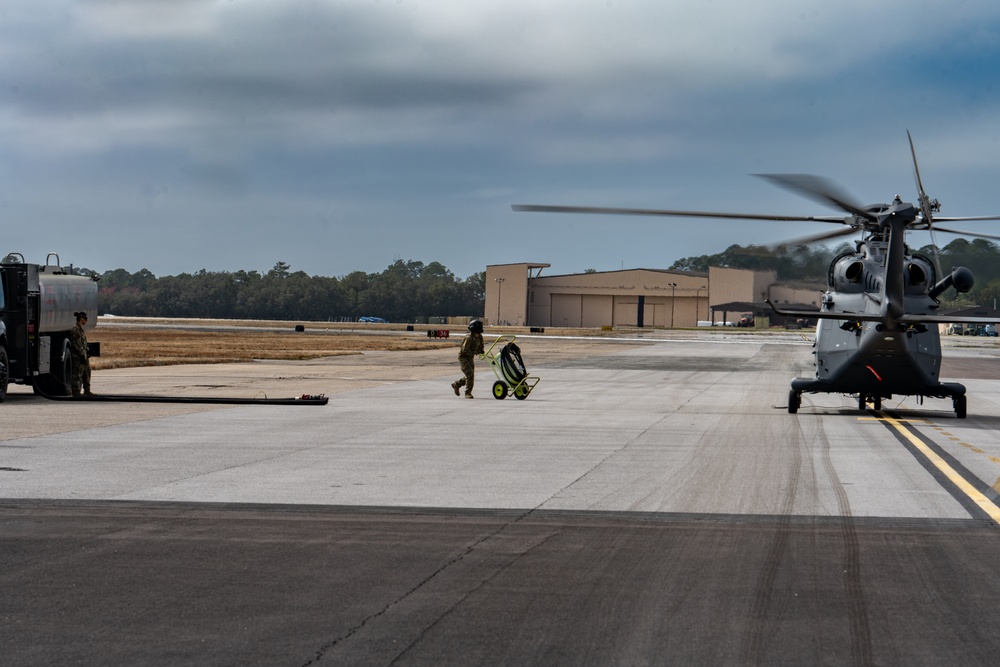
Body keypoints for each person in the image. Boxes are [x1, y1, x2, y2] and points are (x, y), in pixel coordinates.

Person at [451, 319, 484, 399]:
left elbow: (481, 346)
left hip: (470, 358)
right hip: (463, 358)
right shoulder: (469, 338)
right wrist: (474, 352)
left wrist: (481, 352)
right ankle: (468, 393)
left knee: (470, 376)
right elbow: (464, 350)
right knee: (470, 375)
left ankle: (457, 384)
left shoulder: (480, 337)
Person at [69, 311, 93, 397]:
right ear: (81, 319)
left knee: (86, 372)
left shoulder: (80, 330)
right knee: (77, 374)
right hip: (78, 356)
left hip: (83, 355)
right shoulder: (75, 330)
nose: (86, 321)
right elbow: (76, 344)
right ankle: (76, 392)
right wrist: (82, 354)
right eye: (85, 319)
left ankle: (87, 390)